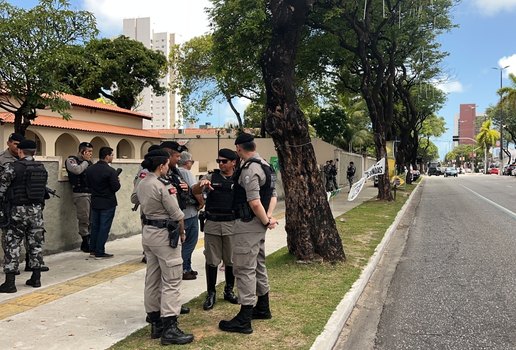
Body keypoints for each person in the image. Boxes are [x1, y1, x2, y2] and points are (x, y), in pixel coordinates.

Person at [219, 133, 278, 334]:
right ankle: (262, 307)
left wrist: (264, 220)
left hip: (247, 224)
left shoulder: (250, 168)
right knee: (259, 265)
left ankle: (244, 319)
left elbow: (254, 202)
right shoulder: (266, 166)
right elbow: (273, 196)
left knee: (244, 268)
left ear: (238, 149)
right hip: (257, 225)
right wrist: (268, 219)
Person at [134, 149, 194, 345]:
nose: (169, 166)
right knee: (172, 280)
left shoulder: (142, 182)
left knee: (152, 277)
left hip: (149, 233)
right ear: (161, 166)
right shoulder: (163, 185)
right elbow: (177, 214)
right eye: (167, 164)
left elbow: (135, 200)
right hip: (164, 235)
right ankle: (169, 327)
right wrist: (183, 232)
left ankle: (155, 322)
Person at [192, 148, 239, 310]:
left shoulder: (239, 178)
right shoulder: (211, 177)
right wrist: (201, 184)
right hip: (212, 223)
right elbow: (194, 190)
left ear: (233, 162)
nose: (221, 164)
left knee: (231, 260)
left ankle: (229, 290)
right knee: (212, 260)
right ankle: (211, 293)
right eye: (219, 161)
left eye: (224, 161)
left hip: (232, 224)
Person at [0, 140, 48, 293]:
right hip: (36, 212)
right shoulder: (41, 168)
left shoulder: (12, 168)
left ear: (20, 151)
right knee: (36, 244)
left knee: (12, 244)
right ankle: (36, 278)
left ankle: (10, 283)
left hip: (16, 212)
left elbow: (1, 190)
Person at [85, 147, 120, 259]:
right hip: (108, 202)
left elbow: (88, 184)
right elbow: (115, 187)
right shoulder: (111, 171)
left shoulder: (90, 169)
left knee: (95, 226)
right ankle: (100, 251)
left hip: (95, 201)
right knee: (104, 227)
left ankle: (93, 250)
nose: (112, 157)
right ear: (107, 156)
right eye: (112, 155)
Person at [177, 151, 204, 280]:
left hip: (180, 213)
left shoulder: (175, 173)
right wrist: (201, 203)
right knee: (190, 242)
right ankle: (184, 268)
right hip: (190, 212)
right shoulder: (186, 173)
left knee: (183, 242)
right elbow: (196, 191)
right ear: (188, 162)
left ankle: (188, 266)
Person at [65, 142, 94, 253]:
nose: (90, 154)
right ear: (82, 151)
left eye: (91, 151)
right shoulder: (71, 160)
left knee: (91, 219)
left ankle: (90, 239)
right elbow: (77, 170)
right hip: (80, 193)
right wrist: (86, 162)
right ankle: (85, 240)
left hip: (91, 193)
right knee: (84, 218)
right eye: (88, 151)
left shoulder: (89, 162)